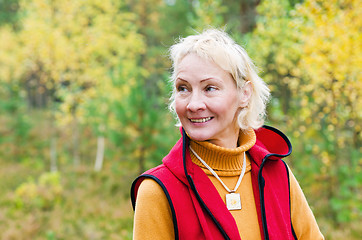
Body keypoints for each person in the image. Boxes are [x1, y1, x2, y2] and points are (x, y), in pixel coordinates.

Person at [131, 28, 324, 240]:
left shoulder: (277, 173)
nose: (194, 104)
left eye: (210, 88)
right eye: (183, 88)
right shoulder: (158, 191)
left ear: (244, 94)